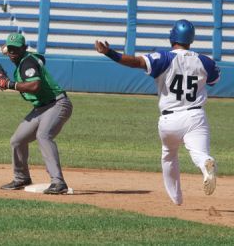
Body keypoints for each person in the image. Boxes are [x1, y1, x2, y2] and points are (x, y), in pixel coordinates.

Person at [94, 19, 220, 205]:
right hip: (195, 116)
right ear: (191, 39)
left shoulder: (164, 58)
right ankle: (205, 163)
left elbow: (135, 62)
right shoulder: (205, 61)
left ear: (172, 36)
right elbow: (213, 80)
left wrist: (109, 53)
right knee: (199, 152)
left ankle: (176, 199)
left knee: (169, 154)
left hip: (170, 119)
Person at [0, 33, 73, 194]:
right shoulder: (23, 58)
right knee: (17, 140)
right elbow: (9, 50)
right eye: (10, 49)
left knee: (43, 135)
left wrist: (10, 84)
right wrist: (7, 49)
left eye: (16, 49)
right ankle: (21, 178)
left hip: (57, 104)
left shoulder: (27, 63)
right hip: (41, 108)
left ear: (24, 48)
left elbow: (34, 86)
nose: (12, 52)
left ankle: (58, 182)